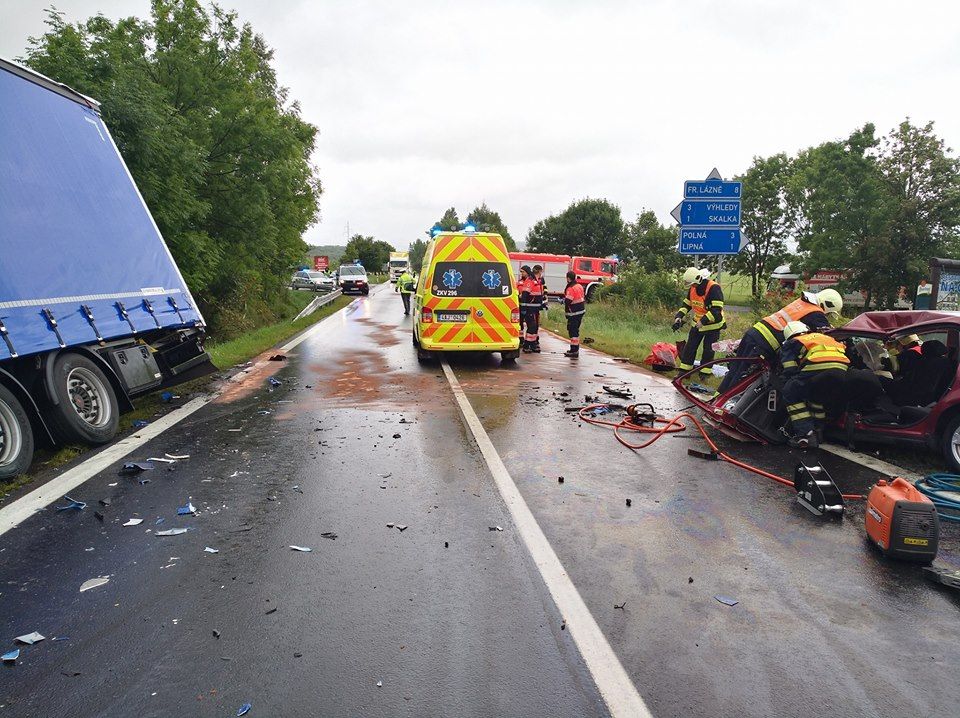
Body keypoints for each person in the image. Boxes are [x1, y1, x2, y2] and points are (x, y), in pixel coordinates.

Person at [716, 288, 843, 394]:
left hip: (754, 333)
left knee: (735, 369)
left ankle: (716, 399)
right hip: (764, 343)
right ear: (827, 305)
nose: (827, 315)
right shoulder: (816, 313)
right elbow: (826, 334)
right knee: (743, 376)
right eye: (829, 313)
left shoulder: (803, 302)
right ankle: (724, 407)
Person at [778, 320, 850, 448]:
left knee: (790, 392)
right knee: (816, 396)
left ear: (789, 335)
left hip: (818, 364)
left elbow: (789, 368)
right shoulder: (823, 336)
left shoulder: (793, 342)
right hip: (841, 366)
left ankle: (806, 435)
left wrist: (786, 381)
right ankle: (818, 431)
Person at [672, 267, 725, 376]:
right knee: (690, 347)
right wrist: (679, 316)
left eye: (693, 284)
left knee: (708, 350)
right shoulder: (693, 288)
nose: (692, 287)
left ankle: (704, 374)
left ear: (698, 280)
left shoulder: (714, 288)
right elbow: (687, 304)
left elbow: (716, 310)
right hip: (697, 324)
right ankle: (684, 372)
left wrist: (703, 321)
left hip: (713, 325)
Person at [517, 265, 543, 353]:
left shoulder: (536, 281)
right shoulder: (530, 281)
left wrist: (541, 304)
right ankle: (526, 345)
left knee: (535, 327)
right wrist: (523, 308)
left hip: (535, 308)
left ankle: (533, 344)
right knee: (531, 326)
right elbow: (524, 295)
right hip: (530, 308)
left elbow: (539, 294)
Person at [563, 271, 585, 358]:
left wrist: (563, 301)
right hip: (580, 311)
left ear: (568, 278)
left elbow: (568, 301)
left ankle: (574, 351)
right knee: (575, 330)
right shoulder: (579, 286)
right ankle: (574, 349)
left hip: (574, 313)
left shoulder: (571, 288)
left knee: (573, 331)